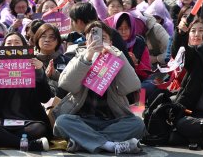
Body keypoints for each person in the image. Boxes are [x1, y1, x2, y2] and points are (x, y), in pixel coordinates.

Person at [53, 21, 145, 154]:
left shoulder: (118, 56)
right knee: (62, 122)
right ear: (86, 40)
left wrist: (119, 57)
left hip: (111, 121)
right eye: (94, 37)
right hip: (82, 120)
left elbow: (131, 87)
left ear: (111, 41)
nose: (98, 40)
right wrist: (87, 57)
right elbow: (67, 84)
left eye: (103, 37)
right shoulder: (78, 55)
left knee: (138, 124)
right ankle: (110, 145)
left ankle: (84, 142)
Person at [0, 32, 51, 152]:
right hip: (0, 121)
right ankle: (28, 145)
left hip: (26, 121)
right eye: (9, 43)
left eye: (17, 43)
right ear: (3, 48)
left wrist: (40, 73)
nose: (12, 46)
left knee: (40, 128)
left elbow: (45, 98)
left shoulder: (33, 66)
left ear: (24, 47)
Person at [32, 22, 69, 98]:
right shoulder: (30, 60)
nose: (47, 40)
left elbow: (71, 85)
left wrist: (55, 75)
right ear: (37, 39)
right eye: (43, 36)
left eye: (51, 37)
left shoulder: (66, 61)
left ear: (58, 40)